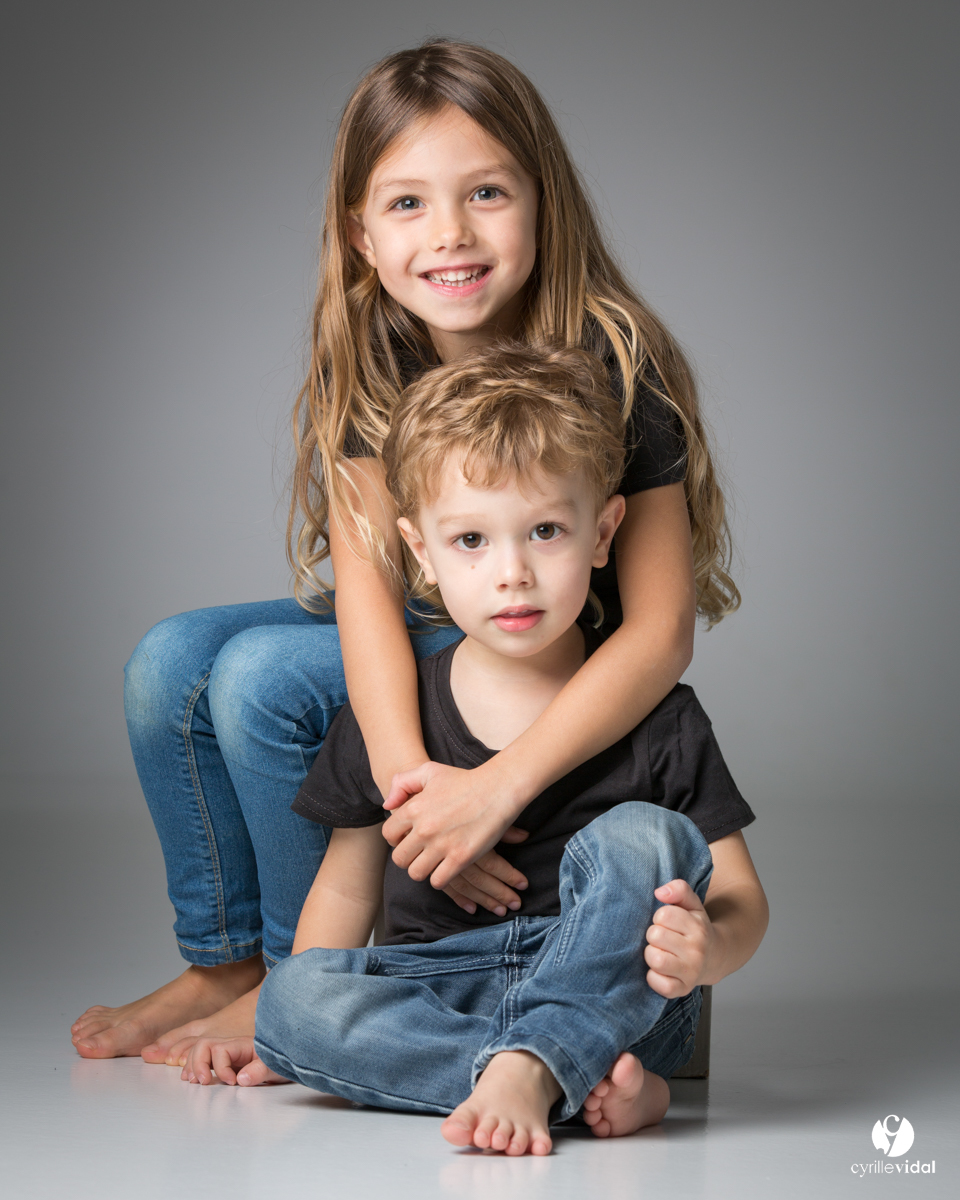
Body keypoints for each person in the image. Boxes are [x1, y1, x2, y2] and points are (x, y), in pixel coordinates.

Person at [71, 38, 740, 1065]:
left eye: (487, 193)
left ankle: (303, 975)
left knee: (259, 680)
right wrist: (419, 808)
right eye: (408, 204)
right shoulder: (374, 352)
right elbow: (370, 595)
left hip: (536, 632)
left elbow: (657, 633)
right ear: (361, 235)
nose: (451, 234)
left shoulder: (613, 355)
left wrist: (496, 788)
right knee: (172, 663)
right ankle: (231, 961)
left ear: (544, 202)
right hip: (435, 608)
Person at [177, 344, 767, 1158]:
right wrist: (290, 1030)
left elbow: (739, 897)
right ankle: (555, 1077)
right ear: (419, 551)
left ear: (604, 533)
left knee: (647, 835)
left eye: (546, 531)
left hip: (618, 995)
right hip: (446, 988)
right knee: (292, 1000)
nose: (512, 573)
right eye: (471, 541)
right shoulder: (396, 716)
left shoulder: (660, 718)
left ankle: (540, 1064)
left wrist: (713, 948)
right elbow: (346, 894)